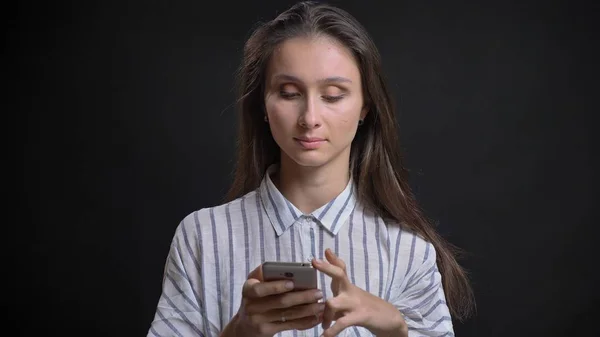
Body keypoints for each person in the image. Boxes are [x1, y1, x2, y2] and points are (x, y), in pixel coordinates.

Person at [147, 1, 475, 336]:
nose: (310, 119)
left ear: (366, 106)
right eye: (289, 93)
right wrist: (238, 332)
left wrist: (396, 329)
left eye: (333, 96)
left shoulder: (408, 250)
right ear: (262, 103)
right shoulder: (202, 237)